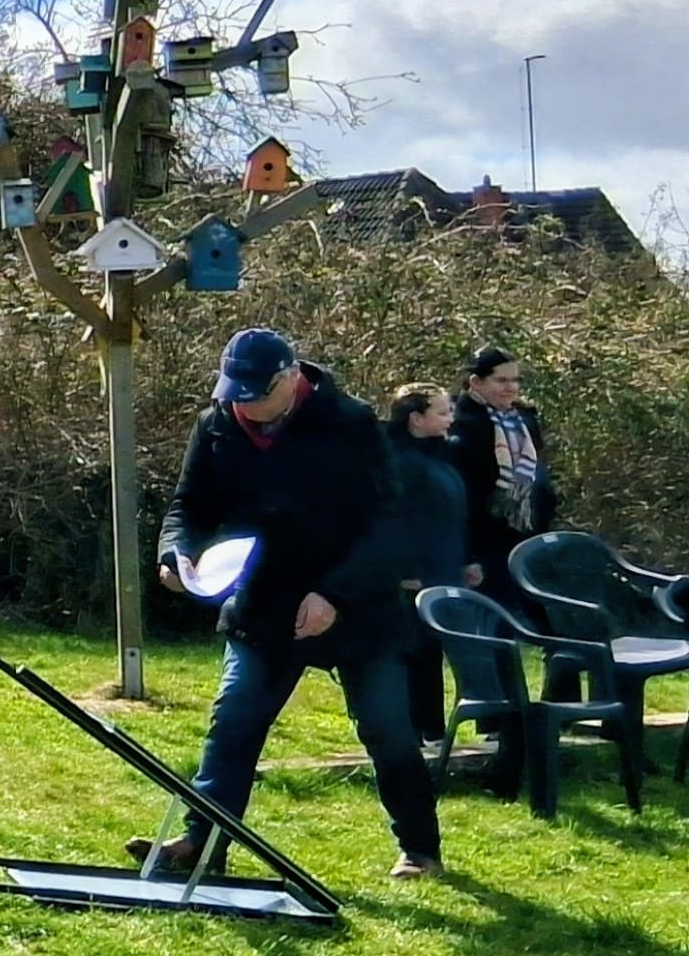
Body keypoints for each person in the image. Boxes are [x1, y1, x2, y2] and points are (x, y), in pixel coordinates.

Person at [151, 327, 441, 882]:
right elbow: (188, 506)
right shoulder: (216, 424)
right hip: (262, 605)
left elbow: (389, 524)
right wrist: (176, 554)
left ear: (289, 379)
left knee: (387, 730)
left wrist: (335, 594)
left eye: (256, 395)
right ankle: (201, 844)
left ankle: (420, 849)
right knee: (233, 723)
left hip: (357, 606)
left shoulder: (351, 423)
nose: (243, 407)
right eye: (233, 393)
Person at [378, 382, 480, 766]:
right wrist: (405, 571)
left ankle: (433, 730)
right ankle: (412, 733)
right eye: (442, 411)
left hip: (445, 567)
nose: (450, 418)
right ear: (416, 419)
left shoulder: (442, 456)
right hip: (415, 576)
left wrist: (466, 560)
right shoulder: (398, 461)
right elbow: (394, 520)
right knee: (414, 653)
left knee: (433, 651)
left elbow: (455, 512)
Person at [447, 346, 559, 602]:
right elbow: (463, 497)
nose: (511, 388)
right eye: (502, 381)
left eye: (515, 380)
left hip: (525, 533)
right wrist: (469, 555)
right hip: (484, 542)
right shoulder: (459, 425)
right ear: (476, 382)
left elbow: (538, 473)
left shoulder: (522, 419)